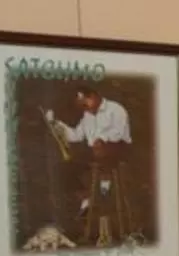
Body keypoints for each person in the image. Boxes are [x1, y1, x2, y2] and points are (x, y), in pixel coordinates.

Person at [44, 87, 135, 244]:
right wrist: (56, 125)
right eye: (80, 106)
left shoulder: (116, 109)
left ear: (93, 96)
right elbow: (75, 136)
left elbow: (119, 133)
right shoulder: (87, 116)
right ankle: (86, 199)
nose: (83, 108)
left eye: (84, 103)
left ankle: (104, 193)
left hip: (117, 149)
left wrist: (101, 139)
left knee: (101, 149)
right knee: (65, 167)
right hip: (96, 153)